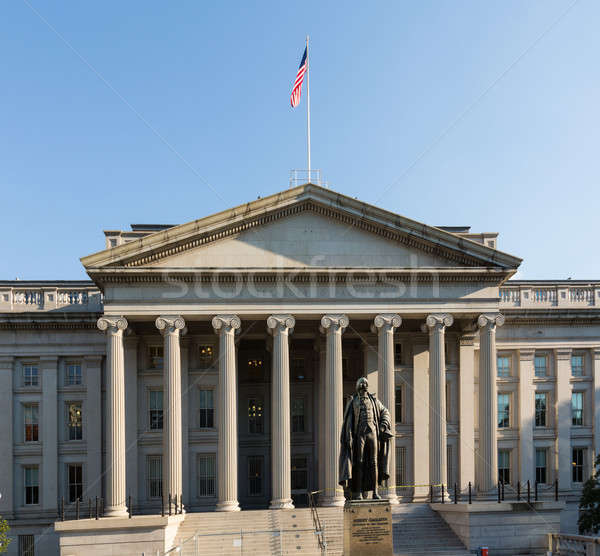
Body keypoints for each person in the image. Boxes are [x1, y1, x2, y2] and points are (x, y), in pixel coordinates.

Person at [339, 376, 393, 500]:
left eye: (365, 384)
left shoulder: (374, 401)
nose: (364, 386)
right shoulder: (353, 401)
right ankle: (358, 492)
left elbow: (385, 412)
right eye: (361, 384)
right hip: (359, 434)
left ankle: (375, 492)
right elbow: (348, 421)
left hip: (373, 433)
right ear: (358, 387)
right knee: (359, 462)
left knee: (374, 462)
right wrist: (349, 435)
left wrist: (383, 426)